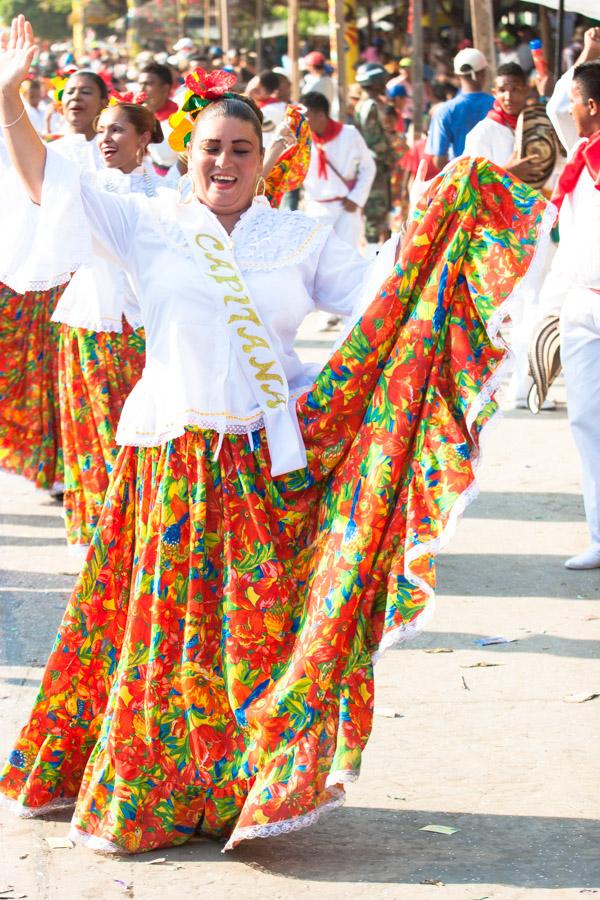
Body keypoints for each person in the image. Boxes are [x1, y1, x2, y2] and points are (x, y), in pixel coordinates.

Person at [0, 15, 551, 855]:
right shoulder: (148, 223)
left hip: (265, 469)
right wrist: (9, 96)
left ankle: (238, 788)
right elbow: (46, 185)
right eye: (211, 149)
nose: (223, 164)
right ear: (188, 153)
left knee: (251, 648)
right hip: (171, 465)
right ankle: (153, 791)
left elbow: (383, 294)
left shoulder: (299, 236)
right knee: (158, 644)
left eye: (240, 151)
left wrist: (457, 206)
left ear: (265, 162)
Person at [544, 27, 600, 569]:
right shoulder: (581, 151)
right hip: (582, 300)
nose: (572, 112)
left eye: (581, 106)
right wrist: (587, 56)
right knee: (586, 417)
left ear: (595, 107)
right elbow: (559, 100)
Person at [301, 91, 375, 248]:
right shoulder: (303, 139)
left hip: (345, 208)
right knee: (316, 262)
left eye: (306, 116)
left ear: (321, 115)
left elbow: (368, 168)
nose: (302, 121)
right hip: (316, 209)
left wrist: (356, 198)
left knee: (347, 259)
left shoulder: (349, 134)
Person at [426, 47, 494, 173]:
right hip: (496, 180)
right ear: (483, 73)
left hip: (462, 182)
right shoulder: (498, 105)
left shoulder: (444, 111)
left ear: (457, 75)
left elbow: (439, 160)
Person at [354, 62, 394, 244]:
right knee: (376, 213)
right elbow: (374, 140)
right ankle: (373, 254)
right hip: (376, 164)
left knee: (380, 213)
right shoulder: (370, 106)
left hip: (373, 163)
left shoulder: (363, 104)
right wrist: (391, 157)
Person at [137, 62, 178, 174]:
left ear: (165, 89)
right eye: (140, 84)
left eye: (148, 84)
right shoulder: (138, 116)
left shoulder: (182, 118)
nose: (142, 89)